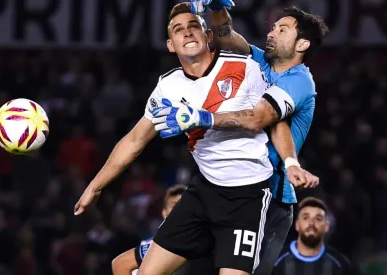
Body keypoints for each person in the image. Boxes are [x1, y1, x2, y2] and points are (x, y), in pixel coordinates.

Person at [74, 3, 317, 275]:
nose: (188, 33)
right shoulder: (168, 86)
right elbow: (134, 141)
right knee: (138, 270)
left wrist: (291, 162)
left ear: (207, 36)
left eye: (194, 27)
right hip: (204, 191)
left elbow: (270, 120)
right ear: (169, 45)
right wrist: (95, 187)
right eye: (179, 30)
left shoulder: (249, 69)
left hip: (251, 196)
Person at [152, 1, 328, 273]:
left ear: (302, 45)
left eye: (282, 30)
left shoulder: (299, 81)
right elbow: (224, 36)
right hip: (228, 191)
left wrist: (202, 117)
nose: (271, 33)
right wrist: (216, 7)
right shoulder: (259, 63)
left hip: (271, 199)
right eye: (273, 28)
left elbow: (258, 119)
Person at [111, 184, 218, 275]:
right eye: (173, 206)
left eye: (182, 207)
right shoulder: (155, 246)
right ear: (164, 213)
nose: (178, 213)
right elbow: (120, 264)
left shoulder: (218, 238)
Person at [273, 197, 355, 275]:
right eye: (306, 218)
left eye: (318, 219)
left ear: (326, 227)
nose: (311, 223)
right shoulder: (276, 262)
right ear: (297, 225)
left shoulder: (339, 264)